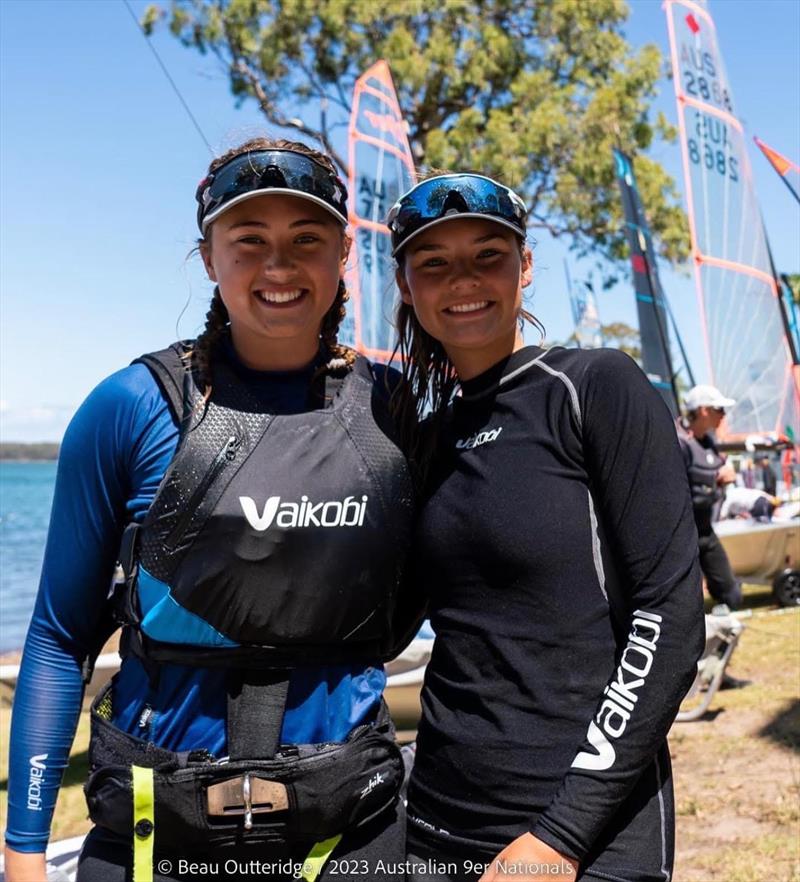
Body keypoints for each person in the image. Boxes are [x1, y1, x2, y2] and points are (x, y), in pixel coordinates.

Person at [4, 139, 422, 882]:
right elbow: (58, 638)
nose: (279, 267)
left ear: (344, 254)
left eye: (306, 240)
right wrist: (25, 852)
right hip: (156, 837)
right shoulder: (131, 409)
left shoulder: (396, 412)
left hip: (348, 835)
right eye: (248, 242)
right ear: (208, 257)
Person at [386, 173, 705, 882]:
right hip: (436, 815)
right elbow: (384, 627)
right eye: (433, 262)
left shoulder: (594, 388)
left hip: (582, 827)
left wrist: (561, 834)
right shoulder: (425, 440)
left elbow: (672, 619)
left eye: (487, 256)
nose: (462, 280)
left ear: (524, 266)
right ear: (406, 285)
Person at [677, 384, 742, 610]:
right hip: (683, 535)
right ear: (704, 410)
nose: (723, 416)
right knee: (684, 605)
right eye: (719, 410)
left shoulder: (709, 442)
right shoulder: (679, 443)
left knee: (732, 596)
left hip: (705, 531)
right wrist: (717, 484)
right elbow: (679, 496)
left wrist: (720, 481)